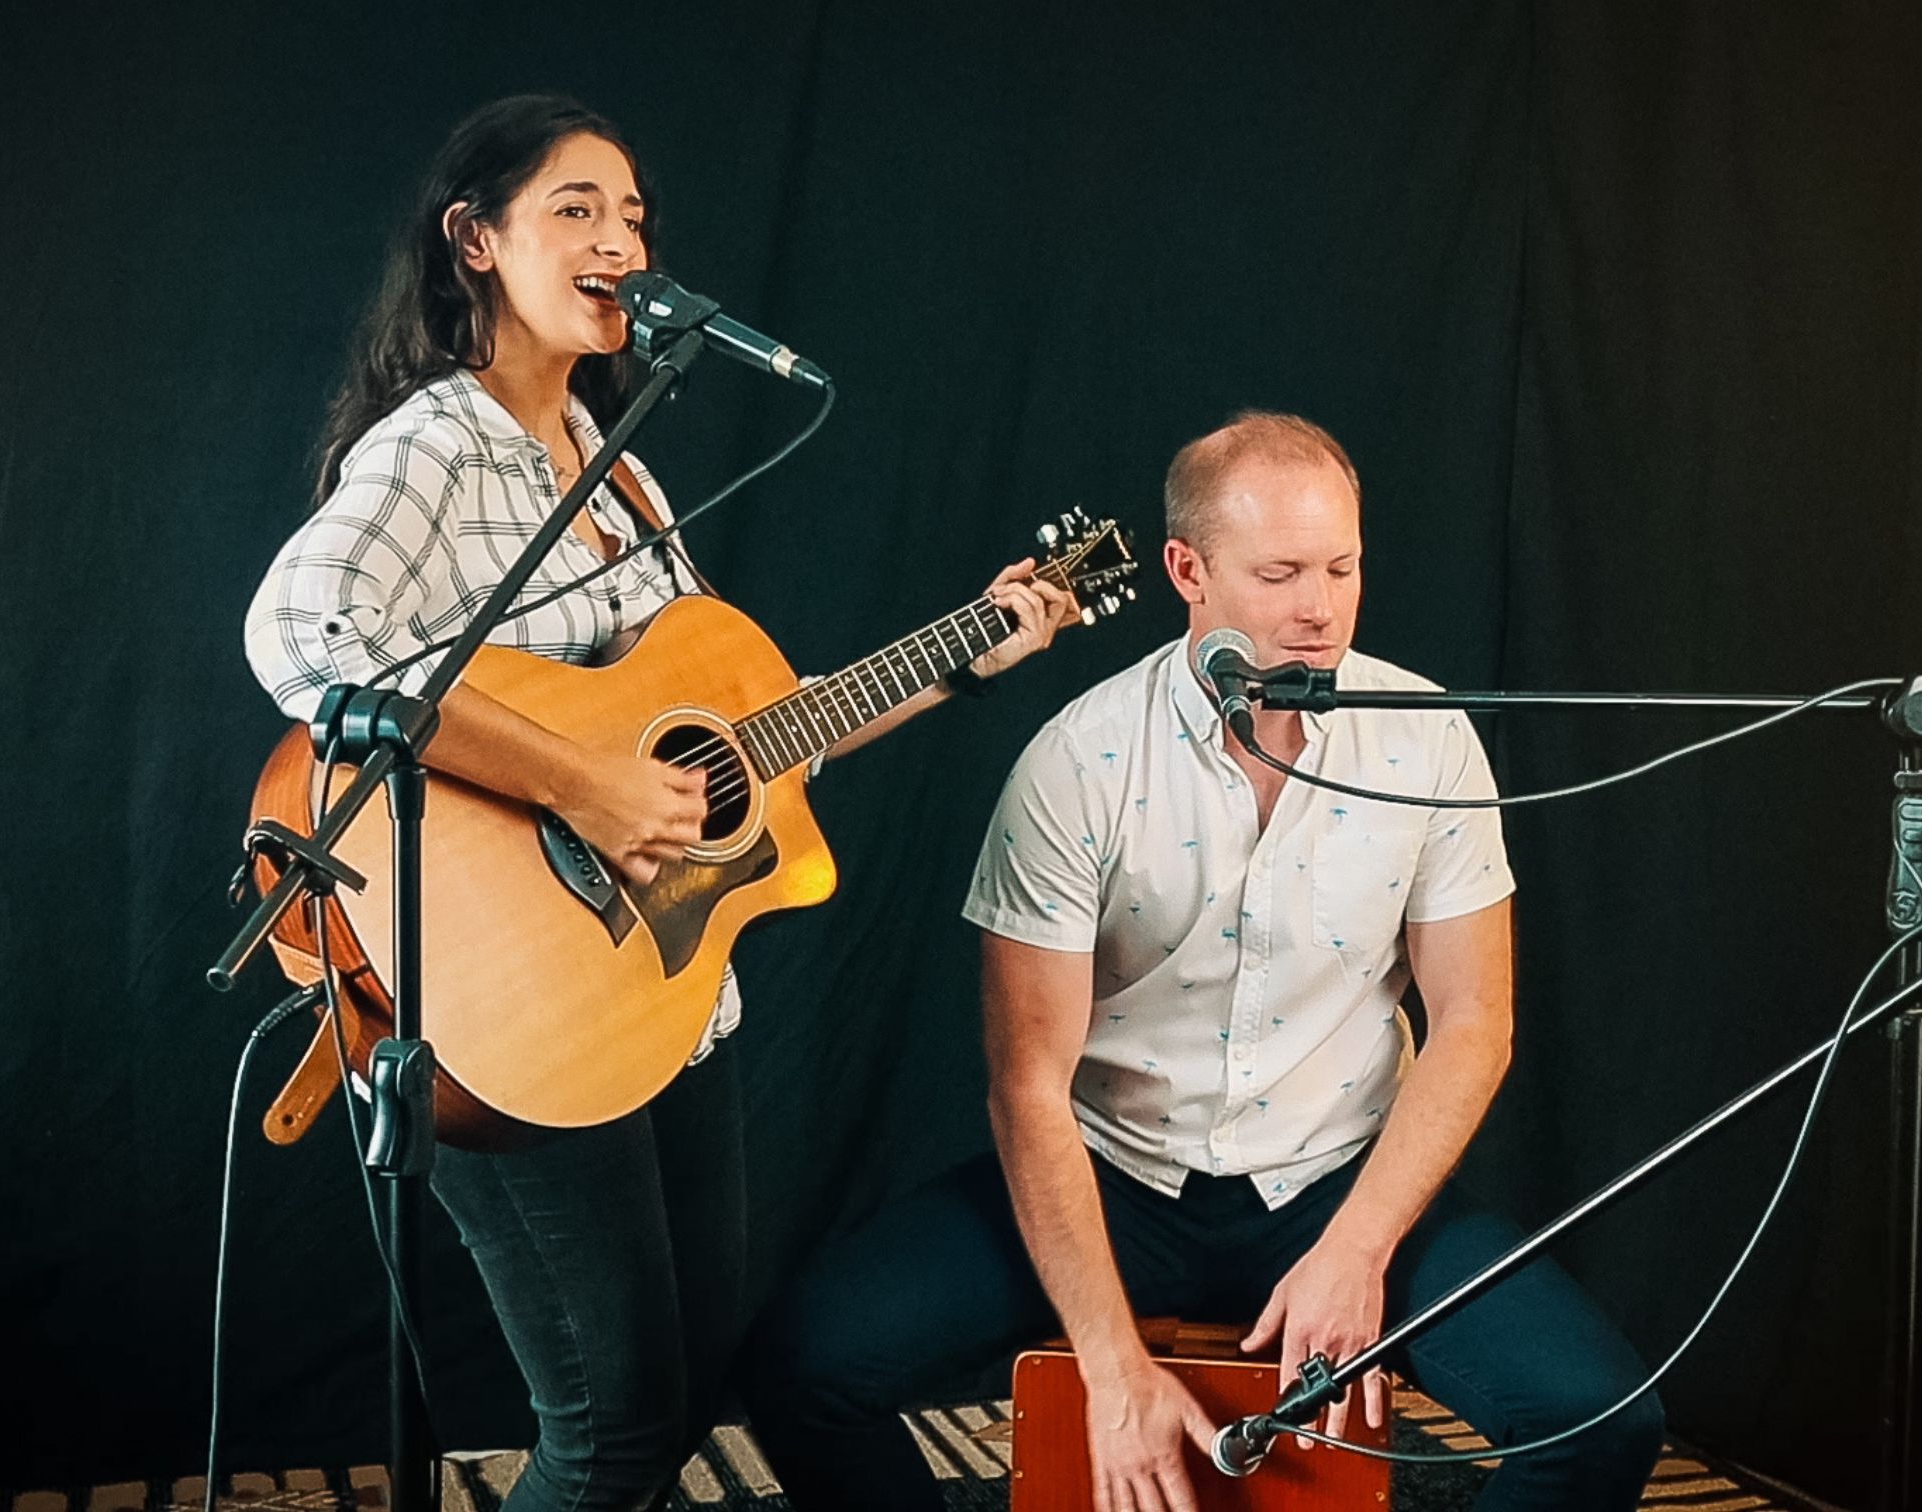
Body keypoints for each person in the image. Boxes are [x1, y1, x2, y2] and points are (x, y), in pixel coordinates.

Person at [240, 94, 1074, 1512]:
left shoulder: (616, 471)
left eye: (634, 217)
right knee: (616, 1425)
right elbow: (300, 638)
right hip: (496, 995)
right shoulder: (436, 448)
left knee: (678, 1395)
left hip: (661, 997)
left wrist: (961, 660)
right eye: (578, 209)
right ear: (475, 241)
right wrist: (579, 782)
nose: (621, 239)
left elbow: (736, 747)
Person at [739, 411, 1665, 1512]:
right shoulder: (1079, 761)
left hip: (1339, 1179)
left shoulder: (1427, 734)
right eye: (1278, 574)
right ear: (1188, 569)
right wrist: (1113, 1364)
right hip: (1116, 1178)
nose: (1318, 609)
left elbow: (1476, 1023)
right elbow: (1026, 1083)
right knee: (802, 1369)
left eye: (1341, 567)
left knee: (1602, 1419)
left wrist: (1359, 1249)